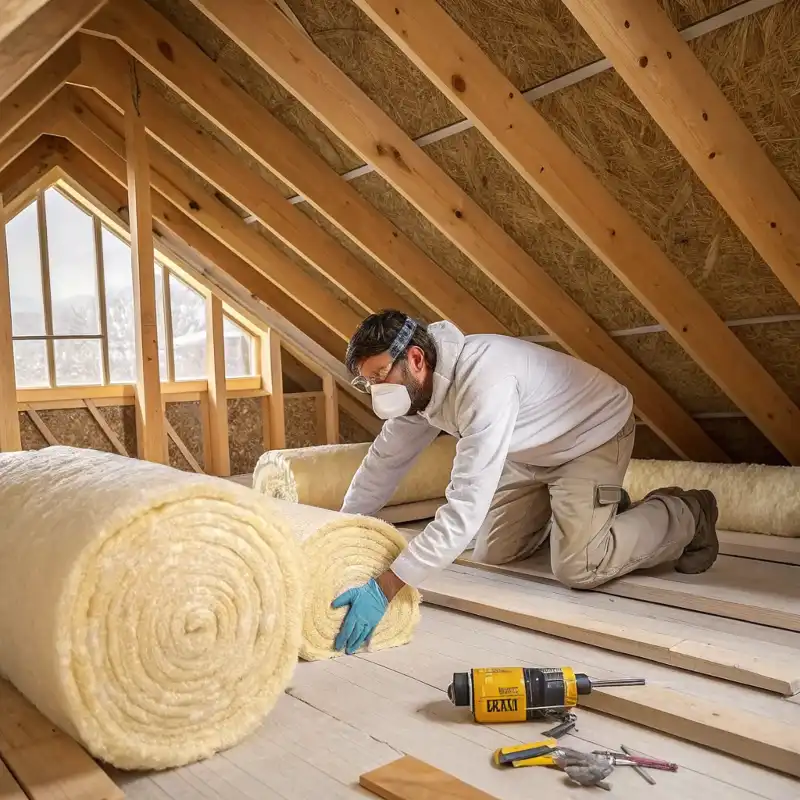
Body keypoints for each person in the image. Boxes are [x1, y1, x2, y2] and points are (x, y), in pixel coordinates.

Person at [330, 311, 719, 655]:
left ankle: (688, 512)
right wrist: (341, 532)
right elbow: (384, 463)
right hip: (531, 448)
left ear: (415, 359)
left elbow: (465, 506)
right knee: (495, 552)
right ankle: (596, 515)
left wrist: (386, 586)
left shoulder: (483, 382)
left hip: (589, 436)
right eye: (368, 383)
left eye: (380, 376)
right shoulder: (418, 393)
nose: (377, 391)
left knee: (580, 567)